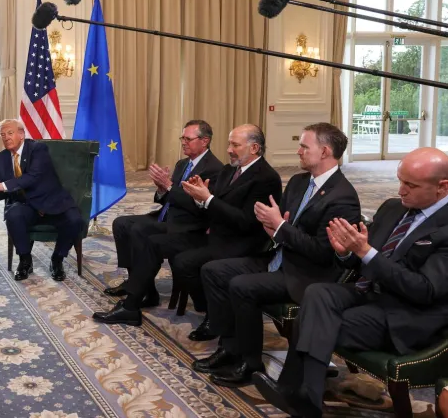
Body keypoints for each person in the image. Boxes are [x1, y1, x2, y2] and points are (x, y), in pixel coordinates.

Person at [253, 147, 448, 418]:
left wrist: (365, 252)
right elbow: (359, 261)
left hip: (405, 314)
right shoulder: (394, 207)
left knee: (313, 321)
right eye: (400, 180)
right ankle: (304, 395)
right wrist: (345, 252)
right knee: (318, 293)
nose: (401, 190)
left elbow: (423, 290)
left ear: (442, 187)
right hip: (371, 293)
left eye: (411, 185)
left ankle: (302, 395)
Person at [193, 123, 360, 387]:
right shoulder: (298, 182)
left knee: (241, 286)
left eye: (305, 146)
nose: (298, 151)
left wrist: (280, 227)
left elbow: (321, 252)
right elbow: (280, 225)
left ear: (325, 151)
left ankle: (250, 362)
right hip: (278, 257)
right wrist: (273, 227)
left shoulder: (343, 197)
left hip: (306, 274)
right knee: (213, 270)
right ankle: (229, 346)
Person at [93, 124, 282, 331]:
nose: (228, 149)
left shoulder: (266, 177)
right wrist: (200, 198)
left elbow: (245, 222)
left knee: (185, 262)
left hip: (238, 243)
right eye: (229, 144)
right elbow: (209, 207)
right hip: (212, 233)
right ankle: (132, 305)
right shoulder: (230, 170)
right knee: (151, 242)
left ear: (254, 148)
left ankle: (211, 312)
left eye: (235, 145)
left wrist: (206, 199)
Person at [105, 119, 223, 302]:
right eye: (182, 138)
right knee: (121, 223)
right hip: (167, 215)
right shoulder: (183, 164)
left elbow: (197, 206)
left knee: (138, 230)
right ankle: (137, 282)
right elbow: (170, 197)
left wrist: (169, 186)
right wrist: (161, 189)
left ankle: (145, 291)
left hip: (186, 224)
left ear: (204, 141)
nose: (183, 142)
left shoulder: (214, 169)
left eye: (188, 139)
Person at [0, 119, 84, 282]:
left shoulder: (38, 149)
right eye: (2, 135)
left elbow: (33, 177)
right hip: (28, 205)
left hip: (52, 201)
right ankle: (25, 260)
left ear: (22, 134)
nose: (6, 138)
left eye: (10, 133)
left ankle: (57, 259)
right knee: (14, 215)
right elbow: (5, 190)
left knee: (75, 220)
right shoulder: (1, 159)